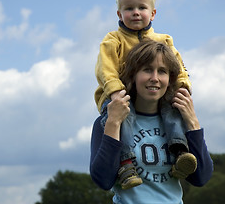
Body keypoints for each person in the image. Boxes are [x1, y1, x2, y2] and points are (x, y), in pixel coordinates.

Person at [94, 0, 196, 189]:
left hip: (155, 99)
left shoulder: (164, 41)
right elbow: (106, 70)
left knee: (173, 111)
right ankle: (126, 163)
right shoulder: (113, 40)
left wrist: (183, 86)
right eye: (129, 9)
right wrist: (115, 92)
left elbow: (178, 67)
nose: (136, 13)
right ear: (119, 14)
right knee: (124, 118)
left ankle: (180, 153)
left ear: (153, 13)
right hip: (121, 97)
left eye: (142, 8)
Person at [90, 39, 213, 203]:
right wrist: (113, 123)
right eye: (147, 70)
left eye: (162, 71)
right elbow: (103, 180)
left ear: (170, 79)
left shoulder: (178, 123)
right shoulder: (108, 122)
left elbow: (201, 178)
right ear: (133, 75)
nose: (155, 78)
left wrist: (193, 123)